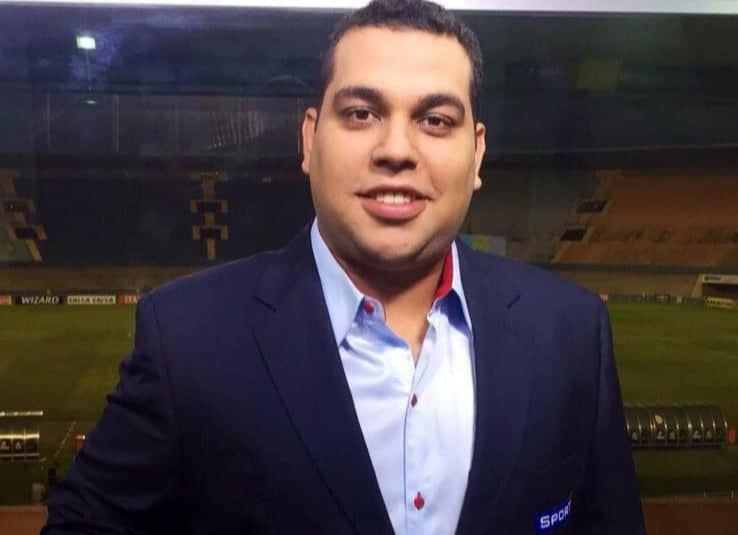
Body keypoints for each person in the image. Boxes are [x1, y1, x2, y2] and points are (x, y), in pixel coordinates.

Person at [43, 1, 644, 533]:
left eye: (436, 120)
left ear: (478, 152)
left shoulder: (571, 332)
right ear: (309, 140)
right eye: (361, 113)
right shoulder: (186, 338)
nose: (396, 150)